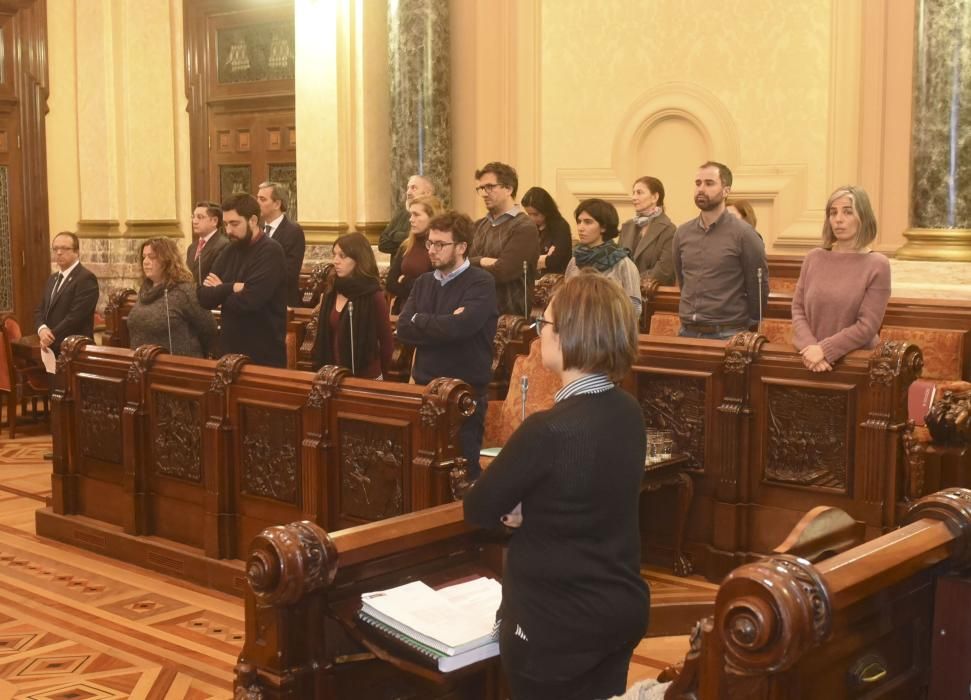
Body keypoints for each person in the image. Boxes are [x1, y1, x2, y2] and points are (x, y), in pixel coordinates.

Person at [464, 272, 648, 700]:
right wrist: (536, 503)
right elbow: (587, 494)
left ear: (568, 336)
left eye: (543, 324)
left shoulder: (547, 431)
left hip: (554, 624)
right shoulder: (628, 411)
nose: (538, 333)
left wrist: (521, 507)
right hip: (618, 611)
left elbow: (478, 509)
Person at [396, 211, 498, 480]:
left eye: (440, 244)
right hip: (425, 391)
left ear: (462, 247)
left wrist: (424, 322)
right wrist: (444, 322)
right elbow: (404, 328)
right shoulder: (424, 282)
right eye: (429, 243)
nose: (432, 250)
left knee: (463, 473)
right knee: (421, 472)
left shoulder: (481, 282)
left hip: (464, 395)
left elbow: (462, 327)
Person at [792, 185, 891, 372]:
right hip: (809, 359)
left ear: (863, 217)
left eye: (847, 212)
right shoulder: (814, 257)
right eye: (833, 213)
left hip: (855, 364)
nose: (838, 219)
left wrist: (824, 350)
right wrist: (810, 349)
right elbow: (798, 309)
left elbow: (867, 325)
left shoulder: (877, 264)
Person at [672, 161, 769, 339]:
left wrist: (749, 324)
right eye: (698, 183)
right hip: (687, 330)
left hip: (728, 332)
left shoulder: (744, 234)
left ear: (726, 191)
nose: (701, 189)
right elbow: (683, 280)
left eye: (709, 183)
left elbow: (758, 288)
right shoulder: (682, 233)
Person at [197, 193, 288, 368]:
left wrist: (220, 290)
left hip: (262, 356)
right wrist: (233, 287)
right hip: (229, 354)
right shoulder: (230, 250)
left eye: (234, 223)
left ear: (253, 220)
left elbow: (250, 301)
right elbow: (203, 297)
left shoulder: (270, 252)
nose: (229, 230)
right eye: (225, 224)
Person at [312, 232, 394, 378]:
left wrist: (382, 377)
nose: (336, 261)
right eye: (334, 255)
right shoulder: (332, 290)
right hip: (332, 376)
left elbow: (386, 343)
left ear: (358, 259)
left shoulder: (373, 295)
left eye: (342, 256)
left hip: (365, 376)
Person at [469, 162, 539, 316]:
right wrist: (481, 261)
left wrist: (471, 264)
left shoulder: (524, 227)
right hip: (472, 310)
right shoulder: (479, 225)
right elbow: (458, 264)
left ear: (508, 189)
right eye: (481, 188)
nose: (485, 193)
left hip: (508, 319)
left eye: (490, 187)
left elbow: (503, 271)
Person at [128, 237, 217, 358]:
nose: (146, 261)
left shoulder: (185, 290)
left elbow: (209, 328)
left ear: (167, 260)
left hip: (178, 366)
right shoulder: (145, 290)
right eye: (144, 257)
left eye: (152, 257)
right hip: (143, 366)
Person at [565, 198, 642, 315]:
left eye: (588, 222)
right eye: (579, 222)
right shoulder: (575, 260)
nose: (580, 228)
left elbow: (634, 308)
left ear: (603, 227)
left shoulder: (622, 263)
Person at [34, 232, 99, 354]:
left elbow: (75, 317)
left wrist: (50, 336)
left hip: (74, 349)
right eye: (55, 249)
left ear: (77, 251)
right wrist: (42, 329)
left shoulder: (86, 278)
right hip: (51, 347)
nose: (59, 252)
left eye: (64, 248)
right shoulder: (52, 279)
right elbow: (40, 310)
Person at [385, 194, 443, 314]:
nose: (411, 219)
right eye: (411, 214)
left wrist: (405, 281)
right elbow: (390, 282)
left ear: (432, 217)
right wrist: (411, 286)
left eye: (416, 215)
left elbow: (434, 286)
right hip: (404, 310)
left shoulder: (441, 246)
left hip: (431, 312)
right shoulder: (407, 245)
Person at [617, 176, 676, 284]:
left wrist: (632, 283)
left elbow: (664, 270)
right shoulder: (627, 226)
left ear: (655, 197)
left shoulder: (669, 229)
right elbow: (617, 261)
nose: (634, 197)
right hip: (623, 293)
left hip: (651, 295)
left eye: (639, 192)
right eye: (633, 192)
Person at [257, 181, 306, 307]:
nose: (257, 203)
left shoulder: (293, 231)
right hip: (258, 300)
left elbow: (290, 273)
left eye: (262, 199)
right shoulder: (257, 229)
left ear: (277, 204)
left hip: (282, 303)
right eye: (257, 198)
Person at [378, 174, 435, 255]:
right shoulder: (401, 213)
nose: (408, 192)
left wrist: (394, 235)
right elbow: (382, 244)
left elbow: (420, 240)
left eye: (414, 188)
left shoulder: (434, 216)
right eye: (408, 188)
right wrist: (405, 238)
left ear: (427, 193)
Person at [521, 186, 572, 275]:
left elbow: (556, 260)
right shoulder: (528, 226)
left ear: (546, 210)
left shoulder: (561, 226)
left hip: (555, 280)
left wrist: (536, 260)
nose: (532, 218)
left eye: (536, 214)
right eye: (529, 214)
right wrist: (543, 258)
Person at [187, 201, 229, 286]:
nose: (194, 221)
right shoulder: (192, 247)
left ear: (214, 221)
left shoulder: (224, 245)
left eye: (200, 217)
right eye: (193, 217)